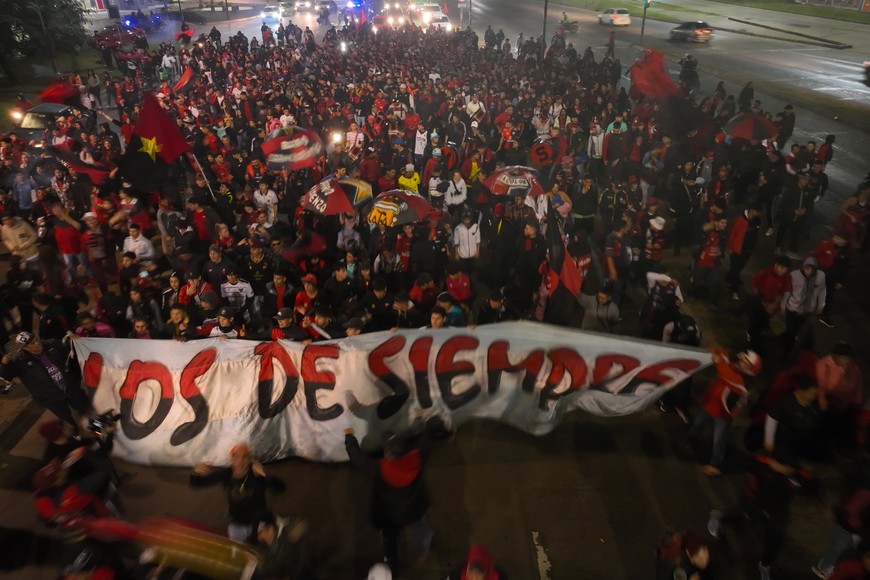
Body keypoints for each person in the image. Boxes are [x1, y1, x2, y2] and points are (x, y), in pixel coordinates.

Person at [344, 414, 445, 574]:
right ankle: (423, 551)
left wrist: (349, 437)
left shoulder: (380, 468)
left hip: (390, 514)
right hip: (415, 508)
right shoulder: (416, 458)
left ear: (388, 452)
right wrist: (419, 422)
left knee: (390, 539)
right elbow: (426, 440)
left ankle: (392, 567)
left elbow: (358, 459)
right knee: (422, 528)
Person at [688, 347, 761, 476]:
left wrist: (719, 361)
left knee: (718, 439)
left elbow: (727, 375)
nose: (742, 362)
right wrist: (717, 349)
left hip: (723, 414)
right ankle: (692, 437)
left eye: (746, 362)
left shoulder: (744, 382)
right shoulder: (733, 366)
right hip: (710, 404)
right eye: (743, 359)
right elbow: (724, 355)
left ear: (751, 369)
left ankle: (716, 462)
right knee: (698, 423)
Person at [190, 443, 285, 542]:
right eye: (236, 457)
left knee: (264, 540)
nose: (240, 462)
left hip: (260, 522)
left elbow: (280, 489)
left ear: (249, 459)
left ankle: (276, 528)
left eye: (244, 457)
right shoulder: (226, 474)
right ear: (232, 459)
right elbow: (196, 484)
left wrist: (264, 474)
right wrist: (195, 474)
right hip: (238, 525)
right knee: (235, 543)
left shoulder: (256, 474)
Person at [1, 332, 90, 430]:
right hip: (50, 396)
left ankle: (89, 423)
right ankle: (75, 429)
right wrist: (4, 365)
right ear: (25, 348)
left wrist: (74, 340)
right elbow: (6, 377)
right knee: (66, 417)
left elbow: (68, 347)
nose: (37, 343)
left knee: (82, 405)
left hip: (69, 387)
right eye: (32, 343)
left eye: (36, 339)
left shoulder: (51, 344)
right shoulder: (20, 361)